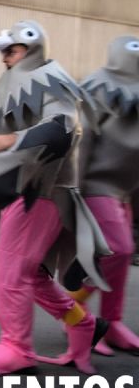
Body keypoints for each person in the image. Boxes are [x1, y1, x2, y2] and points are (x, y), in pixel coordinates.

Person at [0, 21, 108, 375]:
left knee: (12, 274)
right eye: (4, 51)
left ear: (32, 48)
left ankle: (16, 348)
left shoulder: (53, 80)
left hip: (42, 193)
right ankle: (84, 326)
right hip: (22, 192)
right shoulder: (22, 81)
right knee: (31, 275)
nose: (5, 58)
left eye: (12, 50)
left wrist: (5, 142)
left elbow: (63, 128)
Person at [64, 35, 139, 356]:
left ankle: (109, 322)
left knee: (114, 257)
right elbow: (83, 143)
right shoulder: (99, 87)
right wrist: (74, 192)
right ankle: (77, 316)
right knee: (118, 251)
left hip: (124, 191)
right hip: (97, 186)